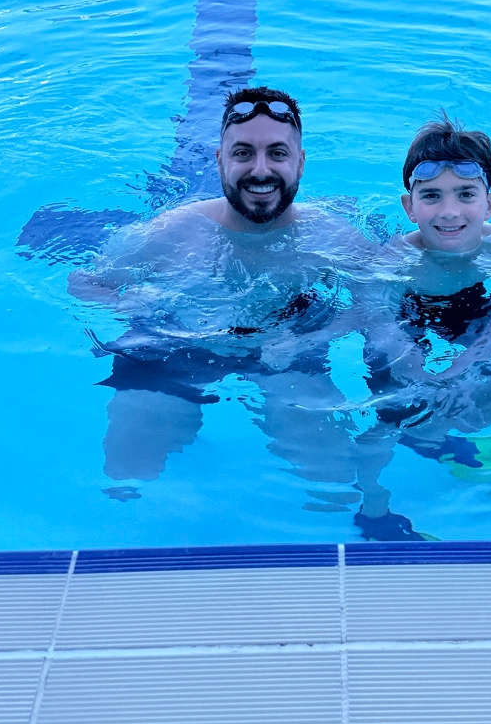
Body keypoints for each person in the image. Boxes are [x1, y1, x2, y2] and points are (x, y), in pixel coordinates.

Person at [68, 88, 386, 511]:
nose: (260, 170)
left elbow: (378, 304)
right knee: (128, 474)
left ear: (300, 162)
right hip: (173, 351)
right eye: (243, 153)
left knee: (334, 481)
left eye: (277, 153)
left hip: (289, 355)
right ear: (220, 161)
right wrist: (127, 307)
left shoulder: (332, 238)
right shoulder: (171, 232)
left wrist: (312, 339)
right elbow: (86, 283)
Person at [349, 117, 491, 534]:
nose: (449, 212)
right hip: (408, 310)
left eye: (465, 194)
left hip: (472, 304)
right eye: (431, 196)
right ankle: (373, 509)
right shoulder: (393, 262)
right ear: (410, 207)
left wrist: (464, 365)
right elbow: (378, 323)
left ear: (490, 204)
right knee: (393, 417)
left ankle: (434, 436)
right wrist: (417, 370)